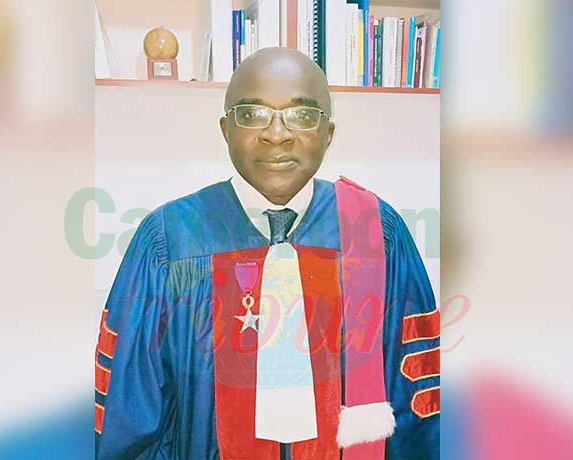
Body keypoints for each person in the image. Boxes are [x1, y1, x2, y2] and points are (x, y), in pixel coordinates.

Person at [94, 47, 439, 460]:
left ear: (328, 134)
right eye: (253, 114)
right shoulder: (170, 240)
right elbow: (129, 417)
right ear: (225, 129)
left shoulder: (374, 232)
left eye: (303, 115)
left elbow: (417, 403)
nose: (277, 133)